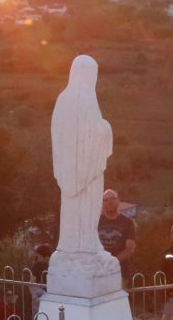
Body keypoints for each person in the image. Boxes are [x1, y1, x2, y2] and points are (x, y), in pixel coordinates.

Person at [51, 55, 113, 254]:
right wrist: (106, 128)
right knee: (88, 207)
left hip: (69, 169)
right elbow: (93, 133)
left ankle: (73, 245)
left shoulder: (62, 98)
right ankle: (86, 245)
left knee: (71, 209)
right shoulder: (86, 99)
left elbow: (58, 134)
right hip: (87, 171)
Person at [98, 188, 137, 285]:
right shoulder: (96, 222)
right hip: (98, 273)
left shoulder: (128, 222)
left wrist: (112, 262)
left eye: (112, 198)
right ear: (102, 203)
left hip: (120, 272)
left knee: (119, 300)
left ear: (118, 200)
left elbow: (129, 249)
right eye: (106, 199)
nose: (109, 202)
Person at [29, 244, 52, 316]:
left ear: (47, 257)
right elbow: (31, 283)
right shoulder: (37, 265)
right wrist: (35, 297)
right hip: (38, 296)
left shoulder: (54, 266)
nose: (37, 258)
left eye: (39, 256)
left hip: (51, 296)